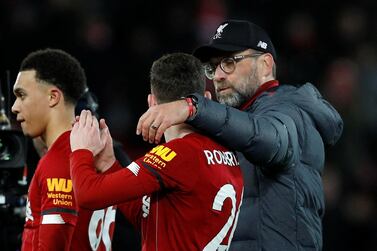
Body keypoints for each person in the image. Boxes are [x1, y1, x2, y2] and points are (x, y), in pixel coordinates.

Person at [136, 20, 344, 250]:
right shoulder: (232, 127)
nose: (217, 76)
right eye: (212, 67)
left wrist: (194, 108)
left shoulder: (289, 108)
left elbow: (271, 141)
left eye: (229, 62)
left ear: (265, 64)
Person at [69, 52, 244, 250]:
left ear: (151, 103)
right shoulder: (228, 154)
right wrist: (109, 164)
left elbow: (87, 195)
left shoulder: (177, 155)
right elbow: (153, 221)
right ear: (206, 98)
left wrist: (80, 151)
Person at [12, 48, 117, 251]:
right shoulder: (86, 154)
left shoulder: (60, 161)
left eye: (21, 95)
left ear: (53, 97)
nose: (14, 107)